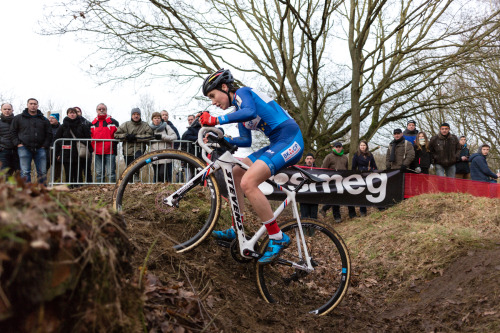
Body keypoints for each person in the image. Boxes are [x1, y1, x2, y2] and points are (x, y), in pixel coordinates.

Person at [199, 68, 304, 263]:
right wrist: (221, 136)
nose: (213, 102)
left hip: (290, 139)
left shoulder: (243, 93)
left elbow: (251, 111)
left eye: (213, 96)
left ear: (224, 87)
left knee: (248, 182)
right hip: (276, 143)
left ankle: (277, 236)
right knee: (237, 173)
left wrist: (215, 120)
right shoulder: (239, 111)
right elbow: (245, 141)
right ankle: (236, 227)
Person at [11, 98, 52, 184]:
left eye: (35, 104)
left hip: (40, 148)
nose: (33, 106)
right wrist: (18, 144)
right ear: (27, 105)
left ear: (37, 105)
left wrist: (45, 145)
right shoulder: (18, 118)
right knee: (25, 172)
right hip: (24, 148)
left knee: (42, 172)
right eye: (31, 104)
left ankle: (42, 192)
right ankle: (27, 192)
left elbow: (49, 134)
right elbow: (13, 132)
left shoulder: (44, 120)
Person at [54, 108, 92, 186]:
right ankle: (69, 188)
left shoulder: (82, 125)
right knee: (68, 172)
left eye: (74, 113)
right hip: (66, 153)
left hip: (79, 152)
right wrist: (58, 153)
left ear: (76, 114)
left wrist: (88, 149)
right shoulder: (63, 126)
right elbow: (57, 139)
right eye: (70, 113)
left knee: (78, 172)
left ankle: (79, 188)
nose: (72, 114)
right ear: (67, 114)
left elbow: (88, 138)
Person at [320, 141, 349, 223]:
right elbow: (323, 168)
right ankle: (337, 217)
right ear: (334, 148)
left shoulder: (345, 157)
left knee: (339, 197)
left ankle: (324, 208)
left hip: (342, 180)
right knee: (336, 197)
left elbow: (347, 169)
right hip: (332, 181)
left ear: (342, 148)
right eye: (337, 147)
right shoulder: (329, 157)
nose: (338, 148)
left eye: (340, 147)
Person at [348, 140, 378, 217]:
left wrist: (376, 172)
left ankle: (379, 207)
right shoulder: (356, 155)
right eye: (361, 145)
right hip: (360, 176)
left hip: (369, 175)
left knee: (372, 191)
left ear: (366, 146)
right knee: (362, 194)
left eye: (364, 145)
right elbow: (354, 167)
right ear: (359, 146)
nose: (362, 147)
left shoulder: (370, 155)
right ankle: (362, 211)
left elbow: (374, 165)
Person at [91, 103, 119, 183]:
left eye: (103, 109)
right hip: (97, 152)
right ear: (97, 111)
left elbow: (117, 136)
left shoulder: (113, 122)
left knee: (111, 173)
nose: (101, 110)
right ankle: (99, 190)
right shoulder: (92, 123)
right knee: (99, 173)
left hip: (110, 151)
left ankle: (112, 190)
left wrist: (113, 146)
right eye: (99, 109)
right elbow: (91, 137)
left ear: (106, 110)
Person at [150, 112, 177, 182]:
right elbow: (146, 139)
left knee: (162, 173)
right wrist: (152, 138)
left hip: (165, 154)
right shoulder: (149, 128)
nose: (157, 120)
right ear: (152, 119)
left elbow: (174, 137)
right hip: (154, 153)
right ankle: (159, 190)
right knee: (157, 175)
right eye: (155, 118)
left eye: (158, 118)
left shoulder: (166, 126)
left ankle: (165, 188)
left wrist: (162, 137)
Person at [74, 106, 92, 182]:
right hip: (74, 150)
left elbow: (91, 136)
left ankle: (89, 185)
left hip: (86, 148)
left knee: (87, 168)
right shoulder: (69, 123)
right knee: (77, 169)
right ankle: (78, 185)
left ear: (81, 113)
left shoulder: (87, 123)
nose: (77, 113)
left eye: (78, 111)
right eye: (75, 112)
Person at [299, 153, 318, 219]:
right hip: (303, 196)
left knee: (314, 216)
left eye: (310, 159)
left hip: (314, 196)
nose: (309, 160)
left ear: (313, 160)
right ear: (305, 160)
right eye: (308, 159)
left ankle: (313, 229)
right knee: (304, 216)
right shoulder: (300, 170)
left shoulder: (318, 170)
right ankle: (304, 229)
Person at [0, 103, 15, 174]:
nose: (7, 111)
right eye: (5, 109)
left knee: (14, 173)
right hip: (3, 150)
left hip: (16, 150)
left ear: (12, 110)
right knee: (3, 172)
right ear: (1, 110)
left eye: (9, 109)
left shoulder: (17, 122)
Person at [47, 112, 62, 182]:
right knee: (43, 171)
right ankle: (42, 185)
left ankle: (56, 188)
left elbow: (62, 141)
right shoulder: (46, 127)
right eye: (50, 118)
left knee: (57, 172)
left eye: (53, 118)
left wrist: (60, 154)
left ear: (57, 119)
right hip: (47, 151)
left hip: (57, 152)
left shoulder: (61, 128)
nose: (50, 119)